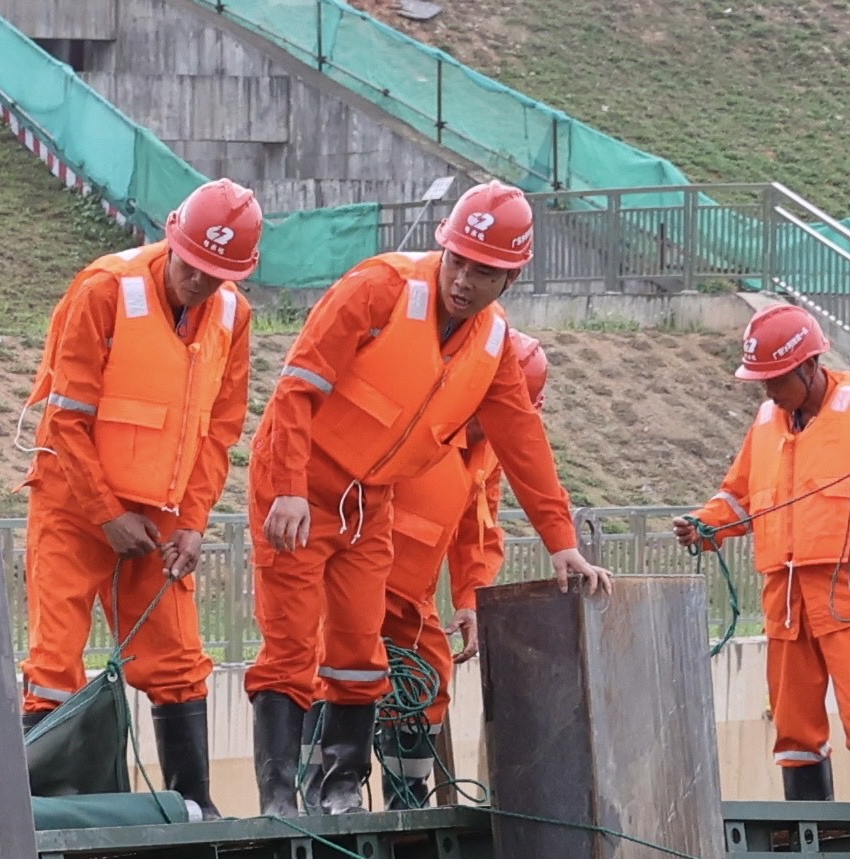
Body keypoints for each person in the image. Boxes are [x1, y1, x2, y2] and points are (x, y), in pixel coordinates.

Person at [248, 181, 602, 815]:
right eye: (458, 261)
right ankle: (281, 800)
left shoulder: (492, 346)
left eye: (484, 271)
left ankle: (343, 792)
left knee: (359, 648)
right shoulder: (377, 288)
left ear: (510, 279)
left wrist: (562, 544)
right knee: (293, 644)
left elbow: (523, 446)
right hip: (302, 488)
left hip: (368, 504)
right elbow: (295, 391)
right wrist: (289, 490)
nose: (464, 280)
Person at [20, 179, 262, 814]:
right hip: (74, 504)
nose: (201, 284)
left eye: (218, 275)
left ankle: (193, 808)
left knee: (179, 660)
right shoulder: (104, 290)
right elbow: (65, 420)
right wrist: (106, 513)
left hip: (159, 517)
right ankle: (46, 814)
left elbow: (219, 432)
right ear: (172, 238)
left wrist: (195, 521)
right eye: (194, 266)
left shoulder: (234, 317)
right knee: (55, 660)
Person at [680, 302, 850, 801]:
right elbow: (740, 494)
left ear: (810, 366)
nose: (768, 390)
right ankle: (807, 824)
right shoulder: (767, 420)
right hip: (785, 592)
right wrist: (706, 524)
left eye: (776, 378)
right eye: (762, 380)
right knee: (792, 716)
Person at [370, 325, 550, 807]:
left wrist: (470, 600)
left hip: (413, 595)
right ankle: (326, 794)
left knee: (428, 677)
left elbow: (478, 532)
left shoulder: (489, 453)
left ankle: (406, 805)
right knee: (334, 676)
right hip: (358, 580)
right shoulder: (418, 418)